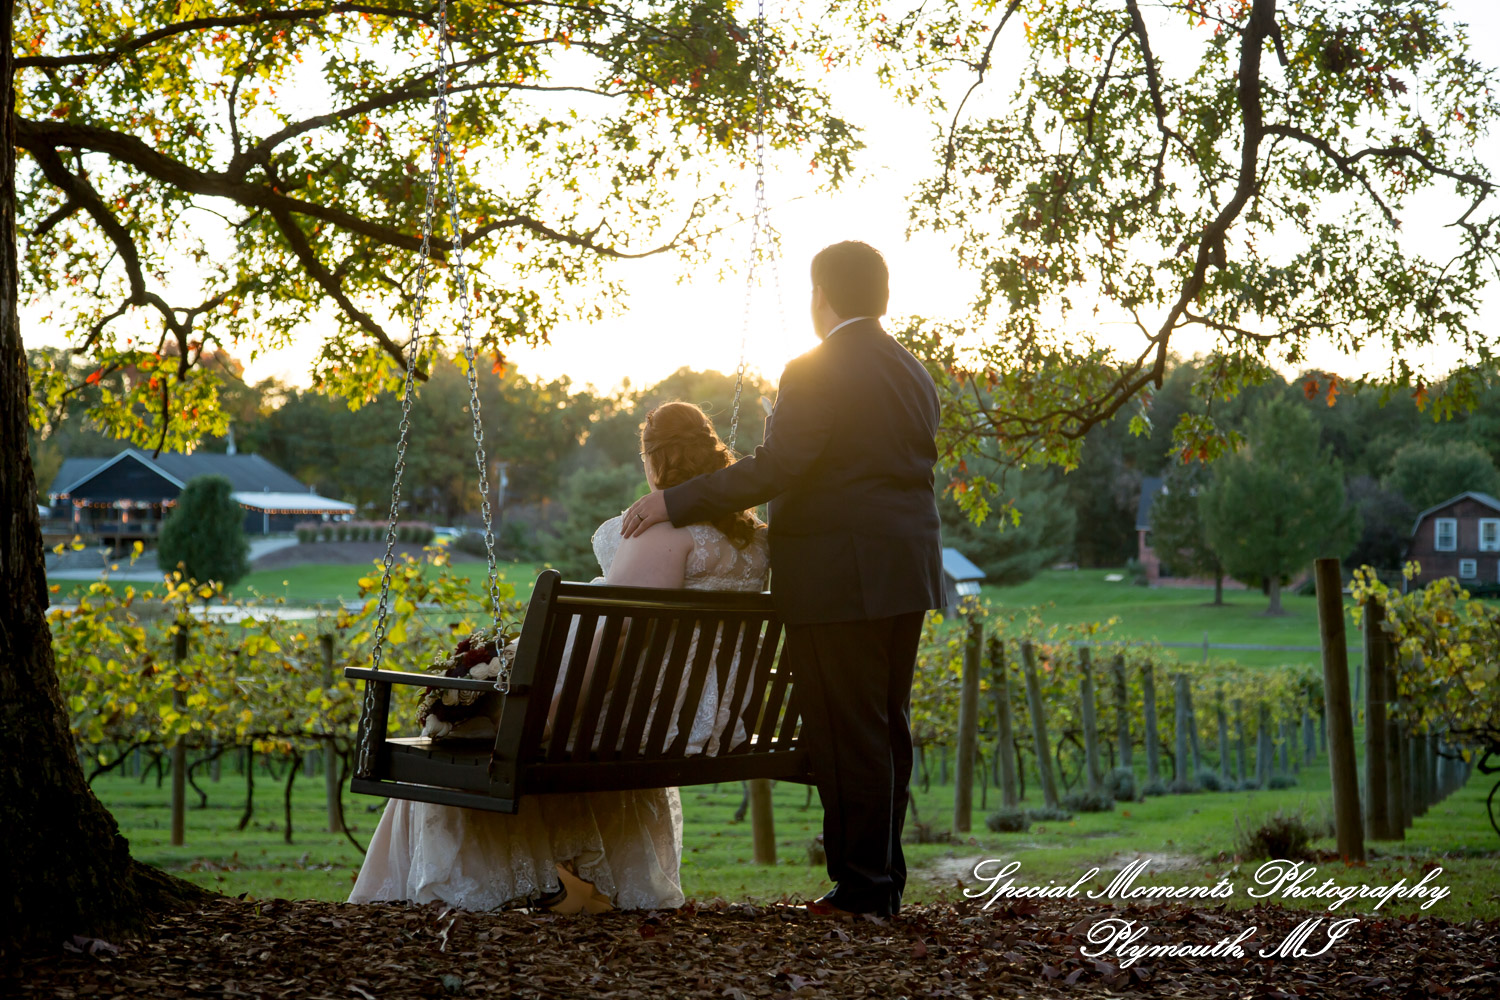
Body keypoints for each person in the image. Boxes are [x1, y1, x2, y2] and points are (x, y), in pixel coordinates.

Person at [623, 241, 944, 918]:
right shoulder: (913, 372)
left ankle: (862, 891)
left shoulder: (815, 367)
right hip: (906, 570)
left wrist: (674, 500)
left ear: (821, 295)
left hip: (838, 579)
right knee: (885, 728)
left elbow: (777, 466)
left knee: (845, 731)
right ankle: (879, 882)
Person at [349, 402, 770, 913]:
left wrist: (548, 715)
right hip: (702, 721)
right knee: (503, 723)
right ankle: (580, 885)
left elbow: (615, 639)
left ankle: (431, 892)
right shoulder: (750, 543)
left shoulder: (659, 534)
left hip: (629, 722)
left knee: (463, 741)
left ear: (652, 460)